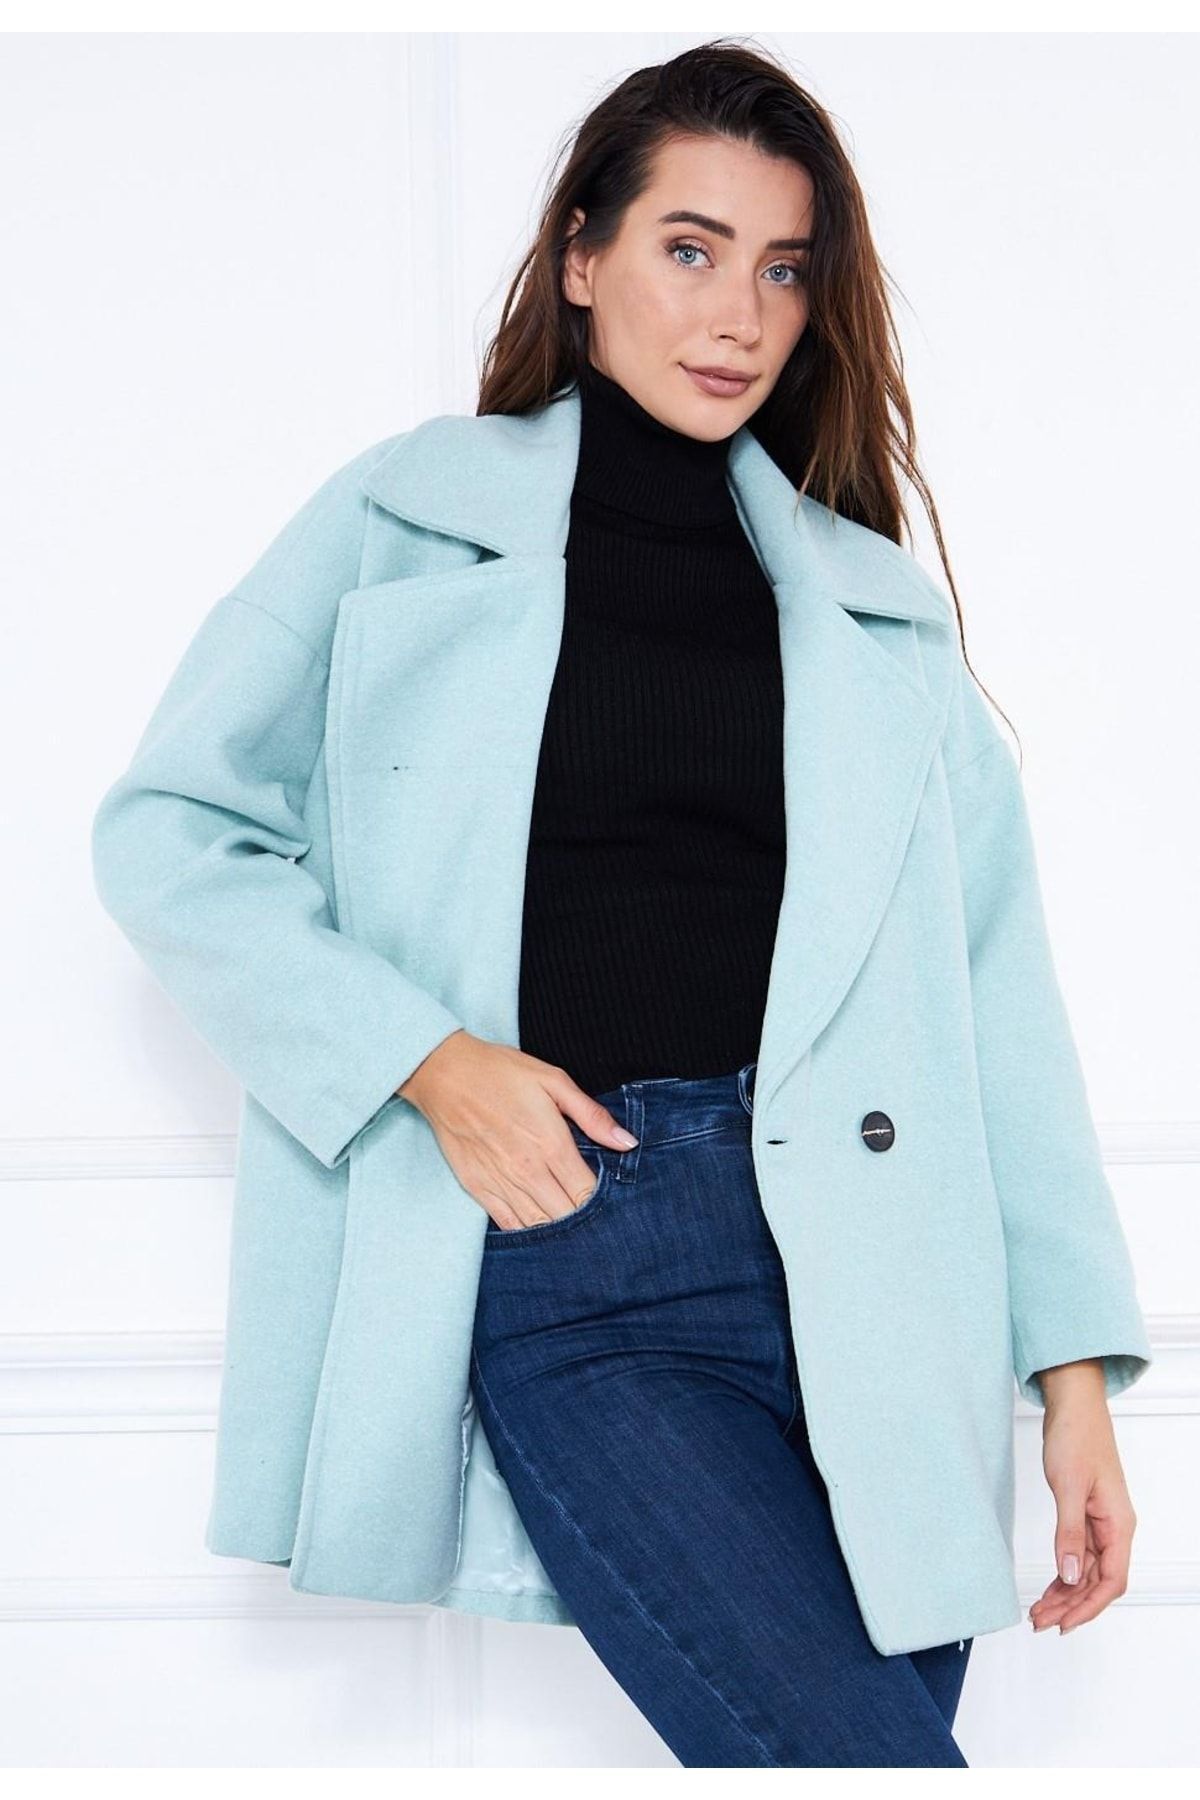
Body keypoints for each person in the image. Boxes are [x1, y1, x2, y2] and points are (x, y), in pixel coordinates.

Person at [91, 40, 1151, 1768]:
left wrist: (1075, 1386)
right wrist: (434, 1064)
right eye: (689, 247)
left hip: (885, 1298)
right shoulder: (402, 525)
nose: (737, 313)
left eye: (782, 269)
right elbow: (171, 833)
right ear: (581, 258)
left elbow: (995, 1005)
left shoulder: (872, 612)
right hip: (586, 1250)